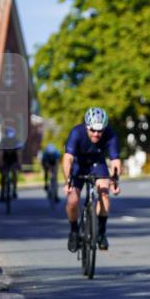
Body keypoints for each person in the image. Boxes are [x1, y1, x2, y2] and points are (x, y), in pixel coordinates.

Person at [63, 107, 121, 252]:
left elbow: (115, 161)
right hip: (78, 165)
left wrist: (115, 181)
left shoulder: (110, 135)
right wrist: (68, 181)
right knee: (72, 200)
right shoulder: (76, 132)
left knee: (104, 194)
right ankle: (74, 231)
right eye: (93, 130)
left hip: (97, 164)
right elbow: (68, 158)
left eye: (100, 131)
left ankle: (101, 233)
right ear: (86, 126)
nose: (96, 134)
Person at [0, 127, 21, 202]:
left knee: (14, 173)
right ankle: (2, 193)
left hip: (13, 159)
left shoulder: (16, 141)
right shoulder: (3, 141)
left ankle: (14, 190)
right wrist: (1, 163)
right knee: (3, 175)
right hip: (5, 159)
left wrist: (19, 163)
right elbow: (1, 153)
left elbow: (18, 153)